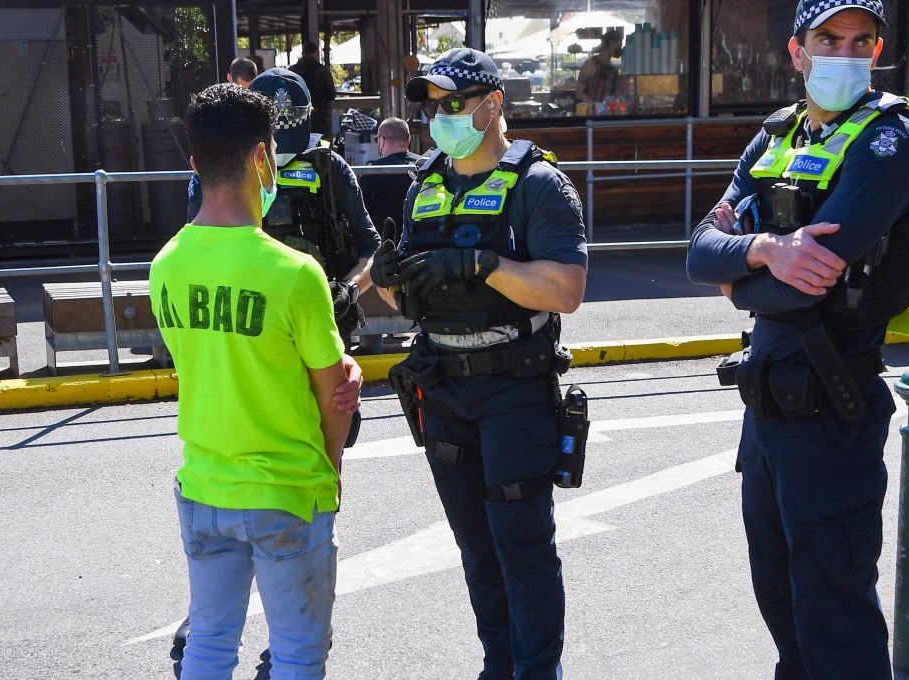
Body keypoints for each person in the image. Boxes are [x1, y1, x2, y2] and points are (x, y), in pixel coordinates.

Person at [686, 1, 909, 678]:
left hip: (832, 401)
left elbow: (801, 287)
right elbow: (699, 250)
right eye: (828, 39)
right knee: (783, 606)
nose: (845, 53)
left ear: (878, 50)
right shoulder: (781, 134)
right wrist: (770, 250)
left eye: (861, 41)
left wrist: (740, 270)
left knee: (834, 614)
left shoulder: (892, 140)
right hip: (768, 401)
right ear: (798, 51)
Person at [370, 47, 587, 680]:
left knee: (522, 548)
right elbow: (409, 296)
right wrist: (387, 281)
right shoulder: (426, 185)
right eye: (433, 106)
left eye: (453, 103)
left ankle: (536, 672)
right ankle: (499, 666)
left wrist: (484, 265)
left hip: (514, 390)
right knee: (475, 550)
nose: (440, 116)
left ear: (492, 105)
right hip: (441, 390)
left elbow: (566, 290)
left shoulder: (538, 184)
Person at [150, 82, 362, 680]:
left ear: (194, 165)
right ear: (264, 157)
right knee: (297, 652)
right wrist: (331, 472)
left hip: (204, 486)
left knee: (209, 644)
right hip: (287, 491)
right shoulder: (295, 273)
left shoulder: (166, 263)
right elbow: (333, 396)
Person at [186, 68, 380, 349]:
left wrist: (349, 289)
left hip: (319, 326)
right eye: (272, 147)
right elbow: (199, 245)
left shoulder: (329, 166)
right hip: (246, 329)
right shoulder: (223, 168)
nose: (278, 156)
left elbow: (372, 247)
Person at [358, 117, 421, 242]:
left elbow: (361, 217)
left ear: (382, 140)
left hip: (385, 248)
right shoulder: (425, 167)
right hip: (421, 244)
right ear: (409, 139)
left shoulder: (371, 173)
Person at [290, 41, 337, 140]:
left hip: (296, 118)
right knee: (321, 148)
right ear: (316, 53)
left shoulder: (291, 71)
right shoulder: (323, 71)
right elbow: (331, 95)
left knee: (300, 150)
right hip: (319, 117)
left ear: (303, 53)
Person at [574, 29, 623, 107]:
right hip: (589, 114)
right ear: (612, 44)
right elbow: (579, 93)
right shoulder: (591, 64)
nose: (620, 49)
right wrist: (595, 105)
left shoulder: (613, 70)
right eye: (619, 45)